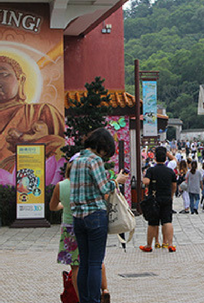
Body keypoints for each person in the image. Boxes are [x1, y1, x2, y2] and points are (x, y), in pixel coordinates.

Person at [70, 128, 128, 303]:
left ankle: (85, 300)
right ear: (101, 146)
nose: (105, 156)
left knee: (84, 262)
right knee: (95, 262)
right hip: (95, 215)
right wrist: (116, 181)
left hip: (77, 217)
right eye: (106, 152)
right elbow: (104, 188)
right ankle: (94, 300)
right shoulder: (94, 160)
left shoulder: (77, 160)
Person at [50, 156, 111, 303]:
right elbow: (106, 199)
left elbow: (52, 207)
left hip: (70, 227)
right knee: (96, 261)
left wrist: (62, 206)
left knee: (76, 266)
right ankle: (104, 289)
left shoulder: (61, 186)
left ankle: (80, 298)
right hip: (92, 223)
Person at [139, 146, 177, 252]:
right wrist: (171, 195)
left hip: (154, 199)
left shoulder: (151, 170)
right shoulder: (170, 171)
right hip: (167, 198)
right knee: (167, 221)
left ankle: (148, 245)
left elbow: (146, 182)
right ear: (165, 158)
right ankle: (170, 244)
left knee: (153, 223)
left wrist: (145, 179)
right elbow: (174, 186)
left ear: (155, 158)